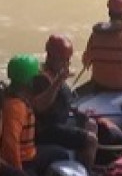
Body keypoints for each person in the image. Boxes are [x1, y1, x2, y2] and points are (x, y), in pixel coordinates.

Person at [32, 34, 99, 169]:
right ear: (51, 57)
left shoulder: (56, 72)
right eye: (63, 60)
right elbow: (41, 107)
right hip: (47, 129)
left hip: (61, 120)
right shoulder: (41, 78)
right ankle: (87, 175)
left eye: (68, 60)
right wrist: (59, 81)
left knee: (91, 123)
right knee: (91, 140)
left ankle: (82, 163)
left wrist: (78, 113)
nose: (67, 63)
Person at [2, 54, 69, 175]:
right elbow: (10, 145)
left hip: (29, 153)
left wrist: (58, 81)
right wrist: (19, 175)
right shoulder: (16, 107)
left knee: (61, 153)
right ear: (29, 81)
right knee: (63, 157)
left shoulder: (17, 96)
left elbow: (38, 105)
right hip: (24, 161)